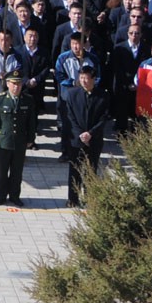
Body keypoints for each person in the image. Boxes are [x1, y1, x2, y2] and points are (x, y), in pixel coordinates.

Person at [60, 64, 108, 208]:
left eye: (87, 78)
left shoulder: (103, 96)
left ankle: (90, 199)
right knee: (74, 170)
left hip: (94, 140)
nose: (84, 81)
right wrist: (80, 134)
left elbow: (103, 118)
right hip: (76, 140)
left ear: (94, 79)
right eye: (81, 78)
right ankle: (73, 199)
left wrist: (90, 133)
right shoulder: (72, 94)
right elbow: (69, 117)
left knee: (91, 171)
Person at [0, 70, 37, 207]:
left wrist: (31, 138)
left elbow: (31, 122)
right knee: (2, 171)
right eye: (14, 83)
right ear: (8, 84)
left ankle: (15, 195)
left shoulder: (27, 100)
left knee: (17, 172)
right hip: (4, 141)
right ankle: (0, 196)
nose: (16, 87)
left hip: (20, 141)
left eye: (19, 84)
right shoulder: (0, 99)